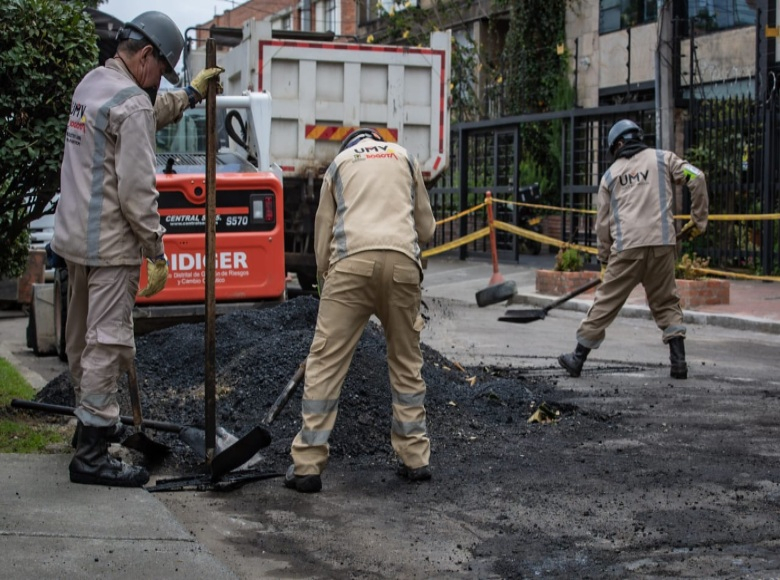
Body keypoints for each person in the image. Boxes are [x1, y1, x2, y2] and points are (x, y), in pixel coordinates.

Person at [51, 11, 223, 487]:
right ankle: (91, 457)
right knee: (109, 341)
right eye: (161, 71)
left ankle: (85, 425)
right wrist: (156, 249)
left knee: (80, 339)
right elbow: (137, 193)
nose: (158, 81)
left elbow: (143, 110)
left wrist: (188, 95)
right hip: (110, 245)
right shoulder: (133, 104)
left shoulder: (93, 86)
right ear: (146, 55)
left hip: (74, 241)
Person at [285, 128, 436, 493]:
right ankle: (415, 458)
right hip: (402, 266)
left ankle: (307, 465)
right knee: (406, 361)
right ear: (375, 141)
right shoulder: (403, 157)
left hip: (350, 267)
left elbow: (322, 241)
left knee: (326, 362)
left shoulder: (338, 165)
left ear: (351, 145)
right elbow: (427, 229)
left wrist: (325, 282)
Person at [558, 119, 709, 380]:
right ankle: (679, 363)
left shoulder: (610, 176)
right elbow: (697, 176)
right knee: (666, 301)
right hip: (662, 244)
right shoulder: (663, 159)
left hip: (626, 249)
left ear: (617, 145)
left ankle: (577, 358)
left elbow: (602, 225)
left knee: (605, 303)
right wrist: (699, 220)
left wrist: (605, 260)